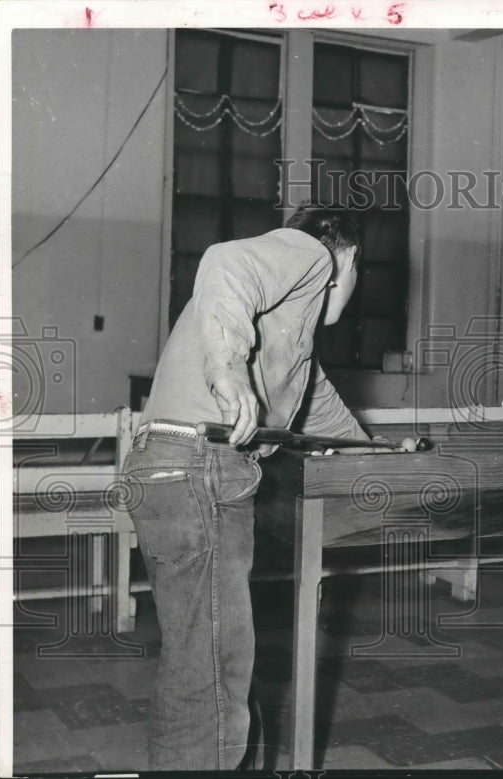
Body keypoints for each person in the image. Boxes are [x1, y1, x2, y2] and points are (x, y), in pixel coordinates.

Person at [124, 205, 369, 770]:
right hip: (198, 466)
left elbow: (320, 411)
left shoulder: (288, 330)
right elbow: (226, 260)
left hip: (170, 468)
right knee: (212, 676)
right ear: (348, 258)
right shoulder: (311, 256)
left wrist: (379, 455)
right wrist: (226, 370)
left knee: (207, 667)